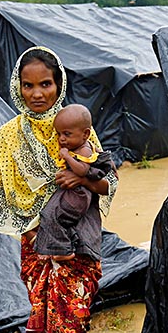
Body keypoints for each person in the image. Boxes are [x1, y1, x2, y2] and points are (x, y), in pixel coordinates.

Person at [0, 46, 117, 333]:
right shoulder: (9, 137)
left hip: (80, 243)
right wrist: (45, 201)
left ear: (59, 84)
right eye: (28, 85)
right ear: (16, 87)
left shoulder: (77, 127)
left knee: (72, 326)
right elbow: (4, 189)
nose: (37, 93)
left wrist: (79, 178)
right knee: (46, 324)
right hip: (36, 244)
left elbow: (107, 183)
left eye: (46, 84)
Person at [34, 104, 116, 262]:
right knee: (50, 215)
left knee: (53, 215)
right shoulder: (11, 135)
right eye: (58, 134)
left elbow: (108, 185)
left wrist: (73, 167)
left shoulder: (84, 147)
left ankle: (63, 249)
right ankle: (53, 247)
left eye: (66, 134)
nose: (61, 139)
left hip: (77, 196)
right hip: (34, 228)